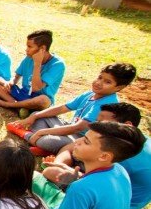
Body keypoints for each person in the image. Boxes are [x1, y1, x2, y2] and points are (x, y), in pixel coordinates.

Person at [32, 121, 145, 209]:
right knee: (34, 177)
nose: (77, 141)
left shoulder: (81, 189)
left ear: (104, 156)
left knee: (19, 198)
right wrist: (74, 174)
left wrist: (39, 205)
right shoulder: (120, 171)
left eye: (86, 141)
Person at [41, 103, 151, 209]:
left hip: (112, 202)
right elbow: (70, 147)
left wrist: (60, 169)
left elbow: (96, 185)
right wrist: (59, 164)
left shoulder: (121, 153)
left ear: (127, 124)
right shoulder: (131, 140)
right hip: (105, 188)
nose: (95, 125)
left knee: (48, 174)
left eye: (102, 123)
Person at [7, 63, 136, 155]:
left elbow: (78, 128)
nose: (99, 83)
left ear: (119, 87)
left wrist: (42, 132)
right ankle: (42, 144)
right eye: (100, 77)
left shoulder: (108, 105)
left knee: (47, 141)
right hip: (69, 128)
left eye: (107, 82)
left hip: (82, 139)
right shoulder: (90, 94)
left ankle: (27, 135)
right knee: (38, 114)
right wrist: (34, 116)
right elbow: (63, 108)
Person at [0, 30, 66, 116]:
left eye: (30, 47)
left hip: (38, 99)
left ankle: (5, 104)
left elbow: (36, 88)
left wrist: (37, 64)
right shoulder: (28, 58)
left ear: (42, 49)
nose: (26, 50)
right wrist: (10, 83)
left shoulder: (58, 64)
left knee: (43, 100)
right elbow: (16, 77)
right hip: (23, 94)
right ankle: (20, 107)